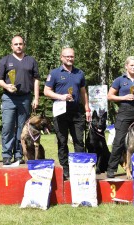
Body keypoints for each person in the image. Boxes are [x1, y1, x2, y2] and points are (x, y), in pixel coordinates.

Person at [44, 47, 91, 179]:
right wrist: (61, 97)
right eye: (67, 56)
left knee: (79, 141)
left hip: (77, 113)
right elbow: (46, 91)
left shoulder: (79, 73)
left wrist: (87, 108)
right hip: (60, 112)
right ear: (61, 57)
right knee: (62, 141)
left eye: (72, 56)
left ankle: (80, 168)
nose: (70, 58)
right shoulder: (54, 73)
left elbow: (83, 92)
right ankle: (65, 170)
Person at [0, 35, 40, 165]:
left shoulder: (31, 61)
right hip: (9, 98)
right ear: (11, 46)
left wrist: (36, 97)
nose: (18, 46)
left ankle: (19, 154)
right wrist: (6, 86)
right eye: (16, 44)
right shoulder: (5, 60)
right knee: (8, 127)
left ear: (24, 45)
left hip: (25, 98)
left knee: (23, 129)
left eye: (20, 44)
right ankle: (7, 155)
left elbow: (36, 79)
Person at [106, 56, 134, 178]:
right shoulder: (119, 80)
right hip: (124, 112)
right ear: (126, 66)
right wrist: (123, 98)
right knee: (119, 141)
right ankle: (111, 168)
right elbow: (110, 96)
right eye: (131, 65)